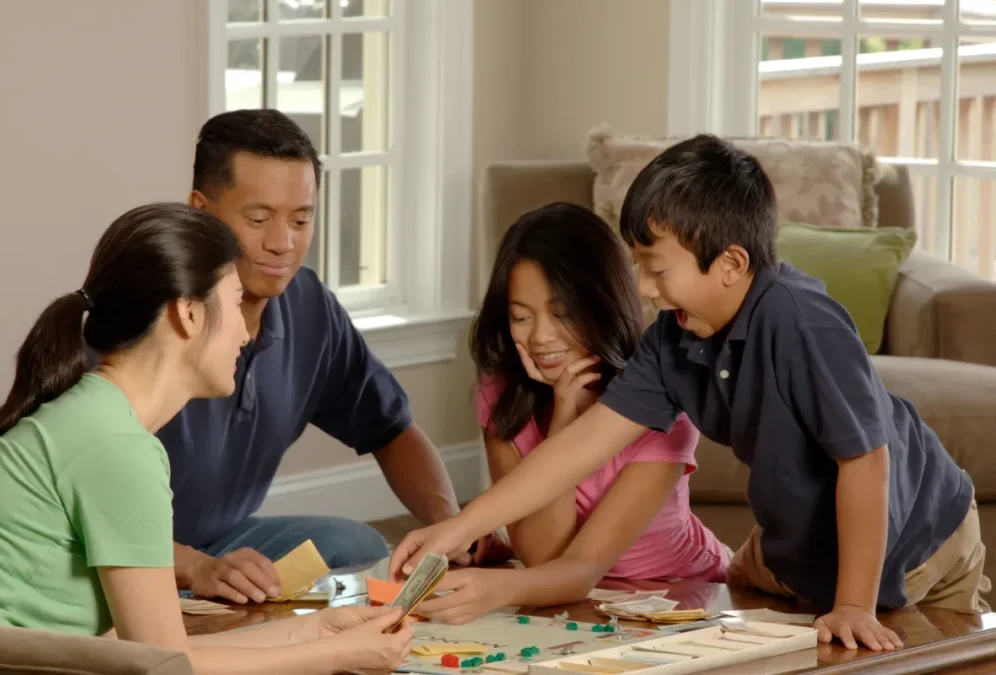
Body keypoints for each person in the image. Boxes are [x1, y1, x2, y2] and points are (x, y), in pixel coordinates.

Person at [390, 135, 990, 653]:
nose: (645, 290)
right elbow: (577, 450)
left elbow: (865, 459)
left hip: (914, 536)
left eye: (656, 268)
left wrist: (855, 603)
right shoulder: (671, 342)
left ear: (730, 263)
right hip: (795, 544)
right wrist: (457, 528)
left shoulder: (803, 322)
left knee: (902, 653)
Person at [0, 203, 412, 674]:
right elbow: (163, 664)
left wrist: (318, 632)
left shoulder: (94, 417)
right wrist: (337, 657)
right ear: (189, 314)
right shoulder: (115, 445)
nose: (245, 332)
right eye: (236, 304)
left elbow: (151, 647)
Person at [161, 109, 507, 606]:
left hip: (222, 541)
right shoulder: (148, 316)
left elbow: (391, 429)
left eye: (301, 220)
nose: (283, 243)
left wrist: (447, 525)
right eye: (258, 220)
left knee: (356, 544)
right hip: (121, 555)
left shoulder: (308, 305)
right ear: (200, 210)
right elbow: (80, 513)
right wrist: (194, 567)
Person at [412, 203, 730, 626]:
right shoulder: (502, 395)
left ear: (602, 303)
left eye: (562, 314)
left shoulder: (662, 404)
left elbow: (578, 565)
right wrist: (563, 418)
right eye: (521, 317)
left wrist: (496, 584)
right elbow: (541, 554)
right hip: (574, 599)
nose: (541, 337)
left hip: (679, 592)